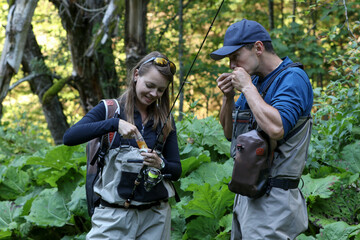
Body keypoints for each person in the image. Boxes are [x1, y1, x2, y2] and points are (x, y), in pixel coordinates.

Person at [210, 19, 313, 239]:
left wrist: (247, 87)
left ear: (258, 48)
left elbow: (276, 128)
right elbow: (230, 134)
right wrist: (228, 98)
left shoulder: (292, 79)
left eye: (235, 57)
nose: (231, 66)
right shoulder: (255, 83)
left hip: (274, 201)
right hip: (245, 197)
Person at [63, 51, 182, 240]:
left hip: (156, 218)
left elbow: (176, 170)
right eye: (150, 86)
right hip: (113, 216)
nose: (154, 94)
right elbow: (69, 137)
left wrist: (161, 164)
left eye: (160, 90)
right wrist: (114, 124)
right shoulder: (110, 109)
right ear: (136, 75)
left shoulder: (165, 121)